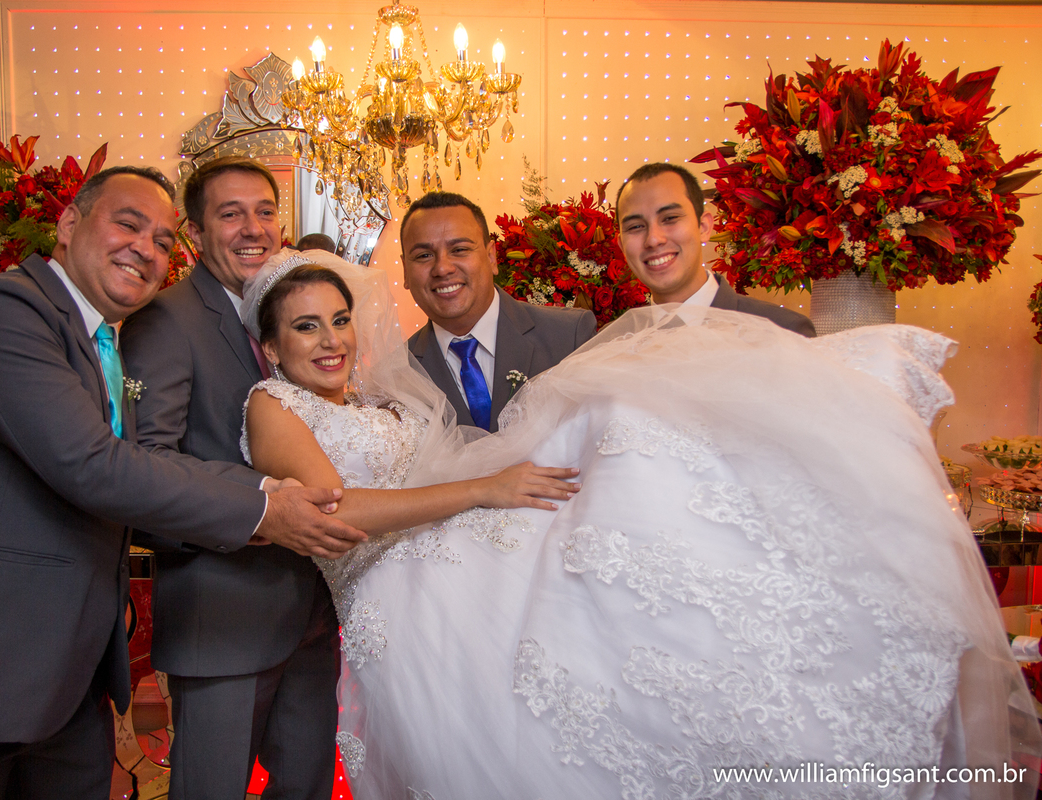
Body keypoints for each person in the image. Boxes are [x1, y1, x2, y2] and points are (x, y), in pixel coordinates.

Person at [241, 249, 1039, 800]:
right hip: (399, 587)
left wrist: (509, 464)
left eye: (339, 320)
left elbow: (452, 460)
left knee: (624, 450)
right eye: (306, 326)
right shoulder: (273, 405)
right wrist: (490, 488)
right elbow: (336, 512)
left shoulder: (375, 400)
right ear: (270, 345)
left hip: (450, 537)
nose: (332, 340)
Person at [0, 167, 365, 800]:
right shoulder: (4, 312)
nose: (146, 249)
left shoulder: (98, 339)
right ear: (68, 224)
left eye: (160, 239)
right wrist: (263, 505)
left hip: (66, 674)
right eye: (127, 224)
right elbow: (95, 464)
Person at [120, 156, 353, 799]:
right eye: (231, 214)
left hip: (314, 609)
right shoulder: (166, 320)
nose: (253, 228)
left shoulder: (292, 310)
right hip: (223, 614)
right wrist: (264, 503)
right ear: (196, 231)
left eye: (265, 211)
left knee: (303, 786)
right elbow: (146, 466)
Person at [401, 191, 597, 432]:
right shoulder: (399, 373)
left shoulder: (570, 336)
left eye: (459, 249)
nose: (442, 268)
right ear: (405, 271)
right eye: (424, 255)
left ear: (491, 256)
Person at [616, 163, 816, 336]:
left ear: (704, 227)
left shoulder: (782, 330)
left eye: (670, 218)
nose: (653, 239)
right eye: (635, 227)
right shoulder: (610, 344)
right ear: (621, 246)